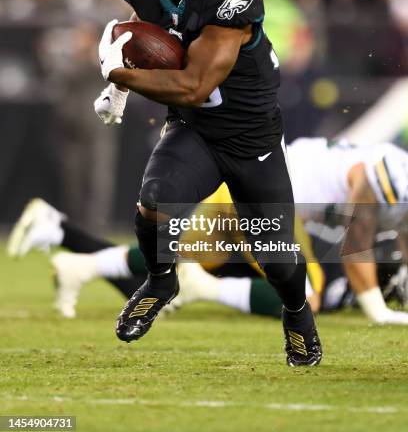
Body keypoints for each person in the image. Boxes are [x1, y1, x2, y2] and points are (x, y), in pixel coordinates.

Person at [93, 0, 322, 366]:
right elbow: (144, 32)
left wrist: (118, 74)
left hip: (249, 137)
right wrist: (120, 84)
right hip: (194, 129)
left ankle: (298, 314)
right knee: (154, 201)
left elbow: (195, 84)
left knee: (274, 254)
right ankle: (161, 279)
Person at [8, 139, 408, 324]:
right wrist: (377, 310)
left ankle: (80, 265)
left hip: (246, 185)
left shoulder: (393, 173)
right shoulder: (392, 170)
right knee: (305, 294)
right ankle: (204, 289)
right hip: (264, 198)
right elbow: (359, 234)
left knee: (178, 254)